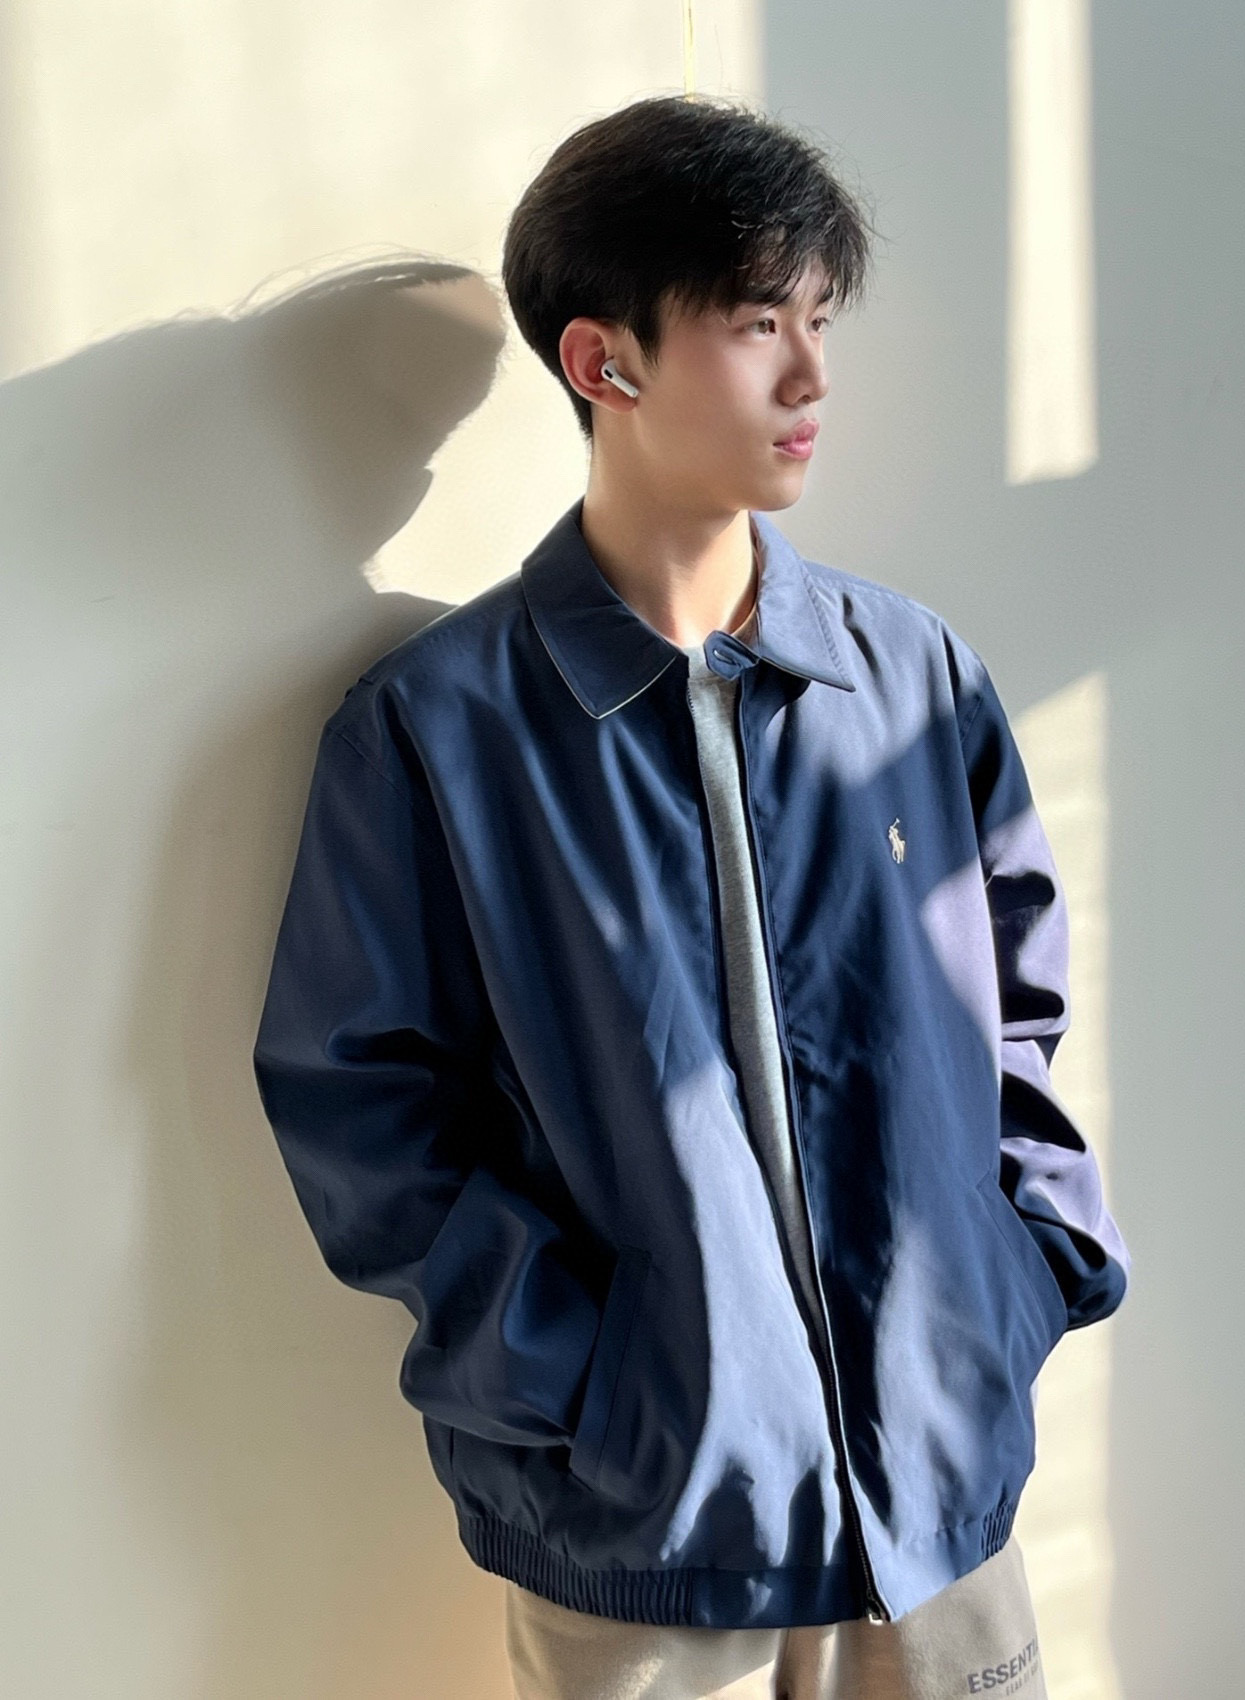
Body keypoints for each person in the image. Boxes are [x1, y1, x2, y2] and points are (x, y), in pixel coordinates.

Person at [252, 93, 1131, 1700]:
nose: (811, 379)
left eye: (818, 323)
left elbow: (1019, 1005)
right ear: (607, 363)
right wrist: (578, 1384)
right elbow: (360, 1106)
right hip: (646, 1524)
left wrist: (1020, 1274)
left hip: (938, 1498)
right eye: (755, 325)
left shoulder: (912, 676)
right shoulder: (441, 730)